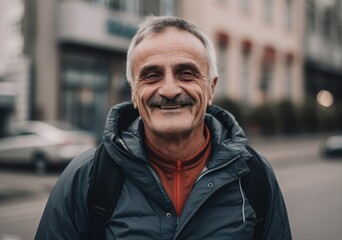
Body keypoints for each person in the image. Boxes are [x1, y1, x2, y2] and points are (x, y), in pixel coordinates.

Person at [35, 16, 292, 239]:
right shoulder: (85, 177)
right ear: (134, 93)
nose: (169, 90)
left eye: (187, 73)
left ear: (211, 88)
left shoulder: (255, 175)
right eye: (151, 75)